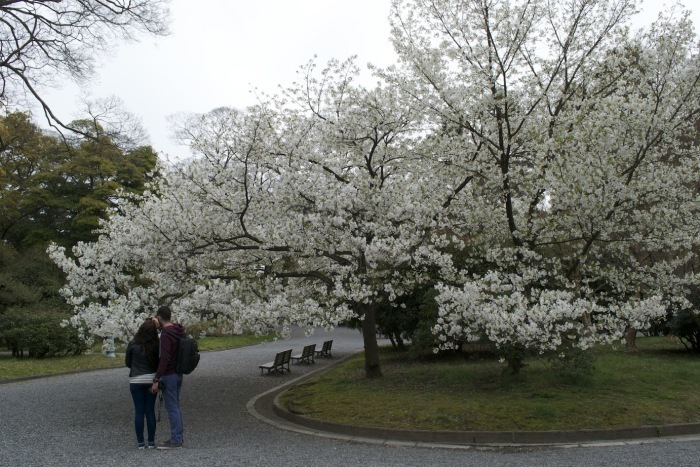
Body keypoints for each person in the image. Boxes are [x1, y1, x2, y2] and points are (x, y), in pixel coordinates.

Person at [152, 305, 187, 449]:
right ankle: (177, 436)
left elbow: (165, 357)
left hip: (169, 374)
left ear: (159, 317)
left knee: (172, 407)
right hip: (178, 372)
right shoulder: (178, 331)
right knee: (176, 406)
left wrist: (156, 378)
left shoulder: (166, 334)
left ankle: (176, 439)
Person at [125, 318, 160, 449]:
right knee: (150, 411)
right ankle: (151, 442)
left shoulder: (133, 343)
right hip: (151, 380)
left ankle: (140, 443)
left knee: (139, 411)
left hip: (136, 380)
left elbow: (128, 362)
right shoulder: (157, 344)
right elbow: (159, 362)